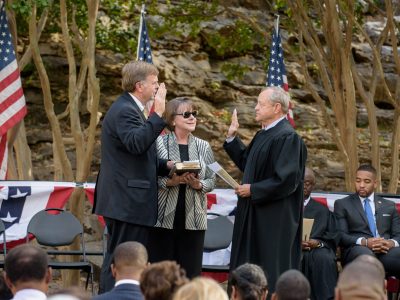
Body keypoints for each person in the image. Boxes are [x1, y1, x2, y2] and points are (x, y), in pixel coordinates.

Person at [93, 61, 173, 292]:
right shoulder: (125, 110)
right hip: (126, 200)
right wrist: (157, 114)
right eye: (154, 83)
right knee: (122, 258)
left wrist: (169, 167)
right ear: (140, 86)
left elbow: (137, 156)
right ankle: (112, 297)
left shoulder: (131, 108)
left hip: (128, 200)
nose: (158, 88)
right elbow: (137, 144)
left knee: (123, 256)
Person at [224, 86, 307, 293]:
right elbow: (248, 164)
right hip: (253, 213)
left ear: (277, 107)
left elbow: (286, 179)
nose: (255, 108)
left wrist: (253, 190)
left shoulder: (288, 137)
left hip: (273, 219)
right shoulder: (264, 134)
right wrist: (232, 139)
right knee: (248, 267)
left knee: (268, 268)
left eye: (260, 104)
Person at [147, 98, 216, 278]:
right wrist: (170, 182)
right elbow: (149, 176)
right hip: (163, 220)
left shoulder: (204, 146)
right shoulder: (158, 143)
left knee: (190, 276)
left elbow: (212, 179)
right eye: (186, 114)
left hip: (194, 221)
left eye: (194, 114)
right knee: (161, 276)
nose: (192, 117)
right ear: (172, 120)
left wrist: (198, 184)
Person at [334, 164, 400, 276]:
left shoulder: (389, 206)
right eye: (358, 181)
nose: (361, 185)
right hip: (357, 249)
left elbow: (398, 235)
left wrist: (390, 243)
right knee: (367, 259)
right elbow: (341, 236)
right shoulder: (342, 204)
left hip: (385, 251)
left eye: (367, 181)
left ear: (375, 184)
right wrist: (365, 242)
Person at [302, 167, 338, 300]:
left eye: (308, 183)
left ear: (313, 185)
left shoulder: (322, 211)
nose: (304, 186)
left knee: (324, 258)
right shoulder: (284, 207)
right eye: (301, 181)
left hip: (315, 249)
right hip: (287, 249)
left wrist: (318, 243)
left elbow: (331, 237)